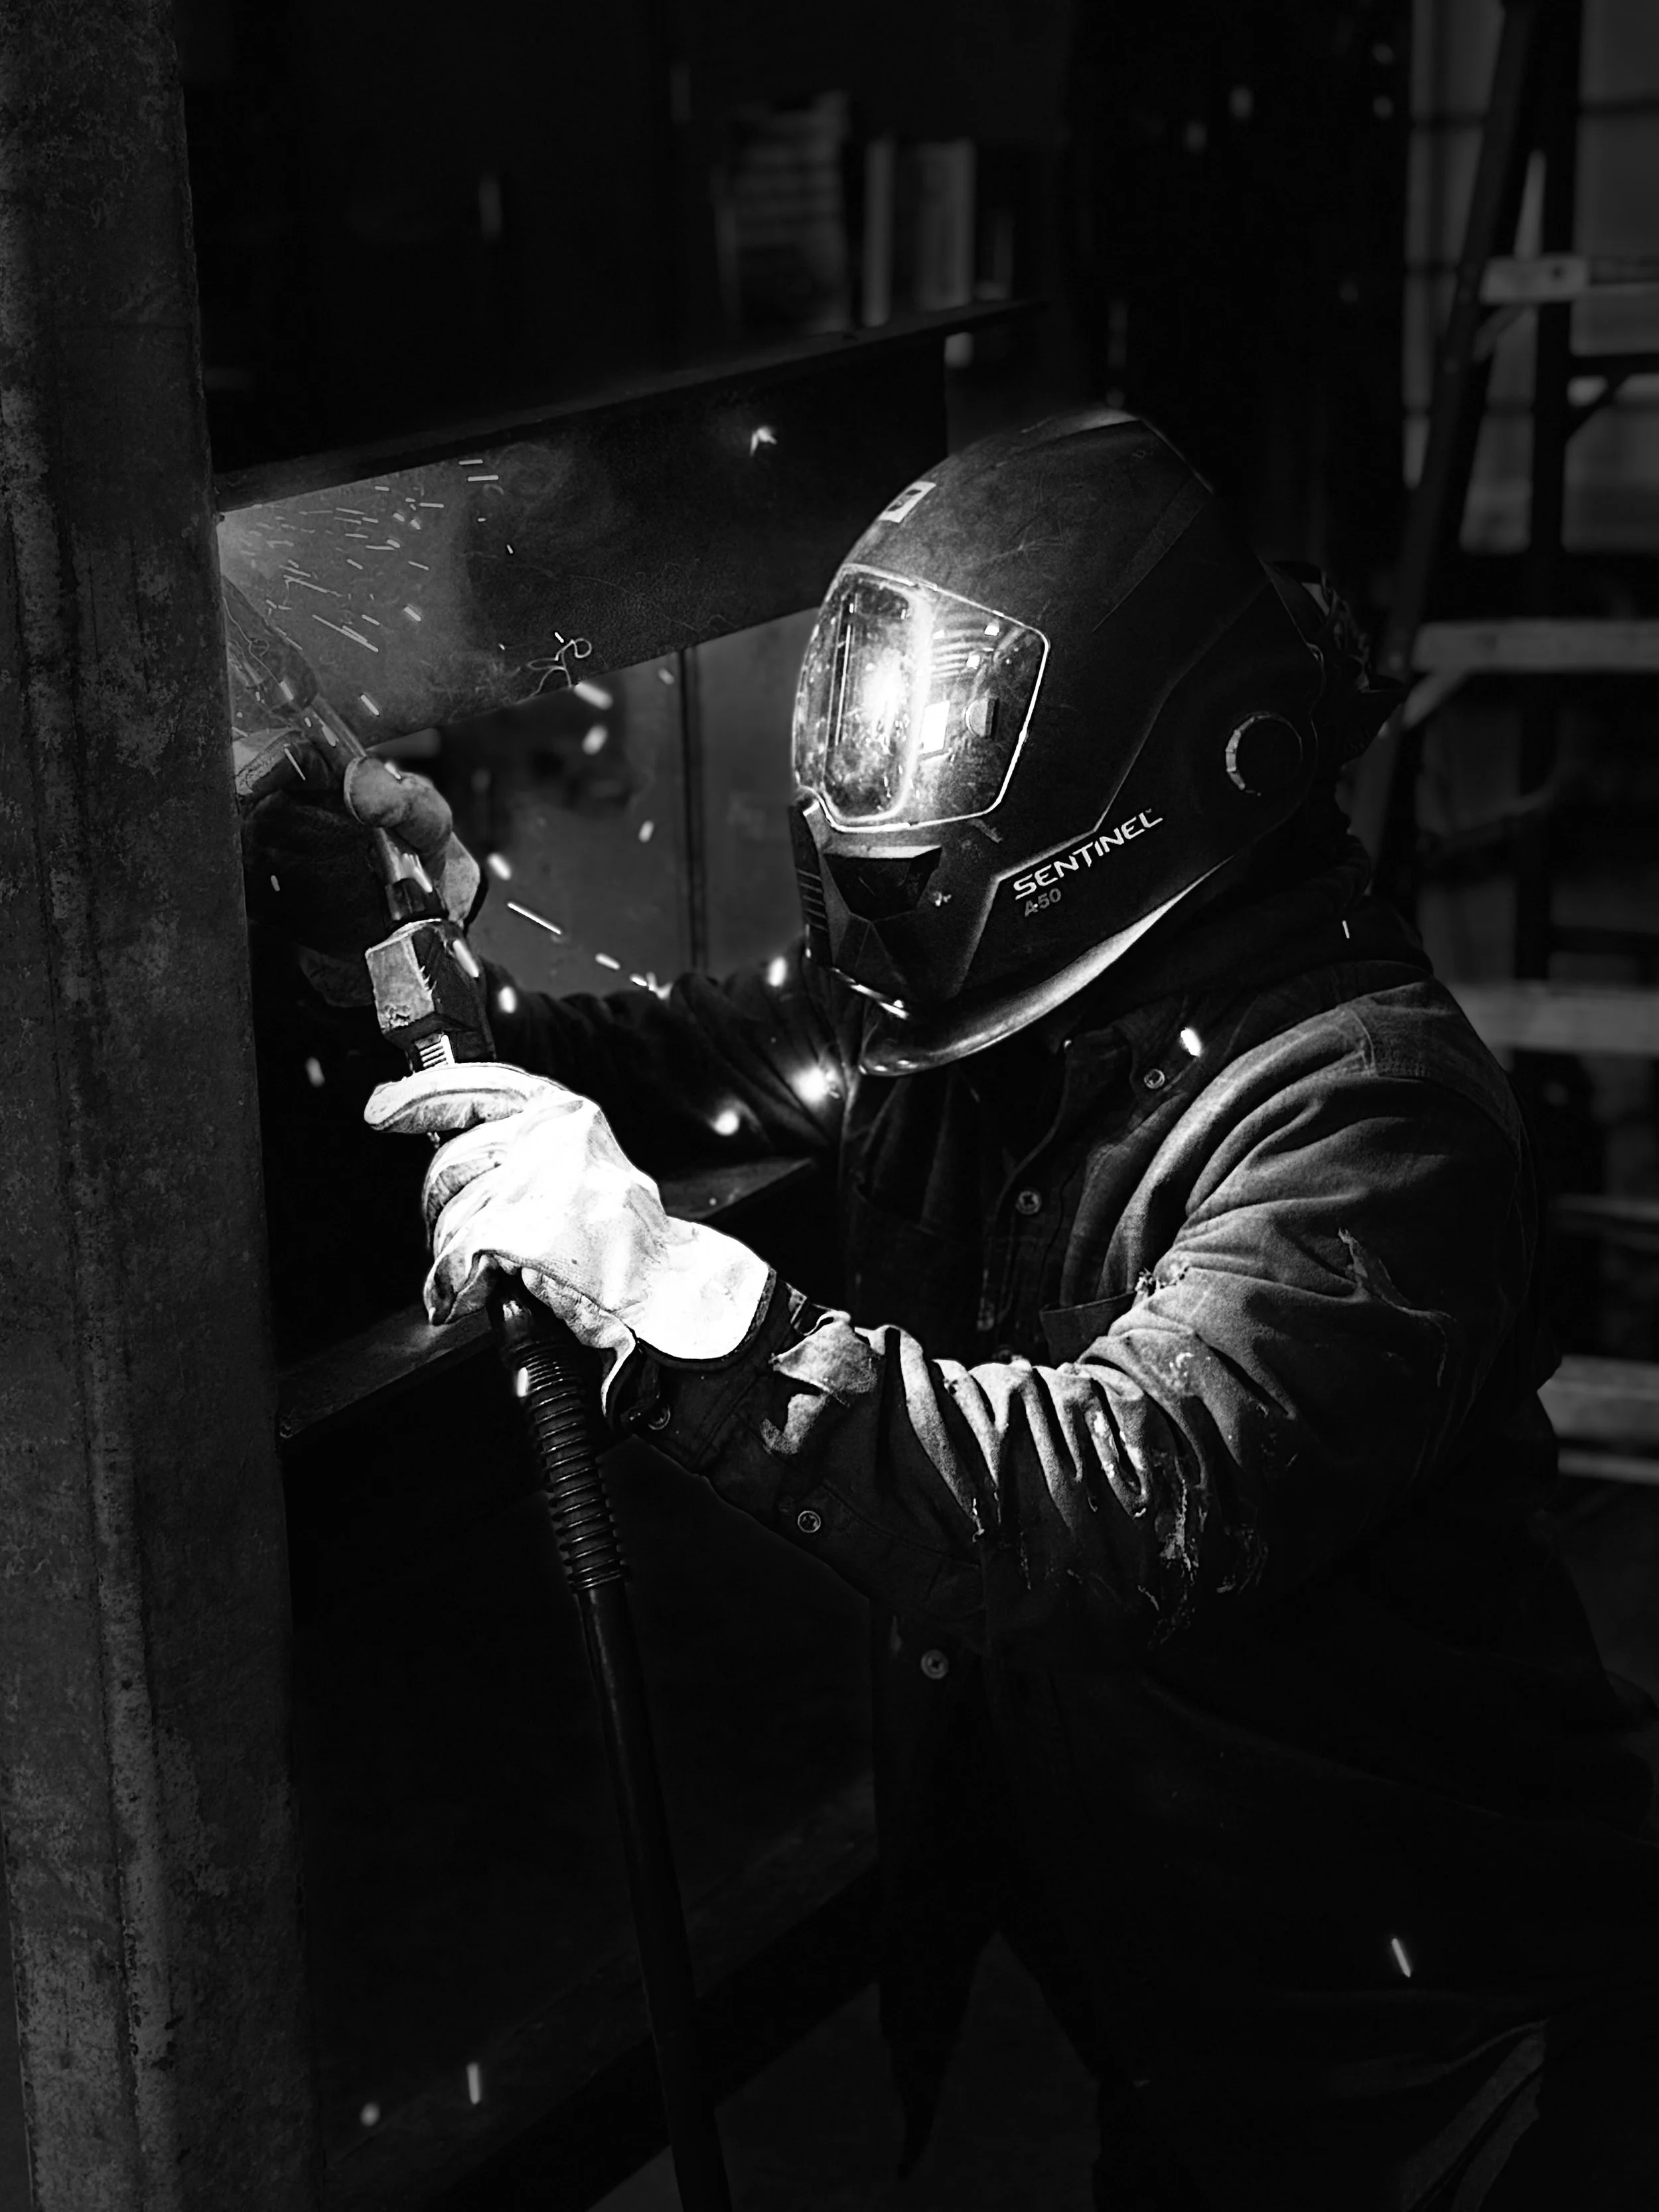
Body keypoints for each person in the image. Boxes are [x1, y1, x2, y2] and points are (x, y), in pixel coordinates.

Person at [253, 412, 1659, 2209]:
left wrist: (673, 1293)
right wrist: (390, 952)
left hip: (1472, 2066)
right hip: (1189, 2034)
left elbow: (1112, 1501)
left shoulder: (1366, 1117)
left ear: (1121, 789)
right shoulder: (956, 1032)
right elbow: (605, 1073)